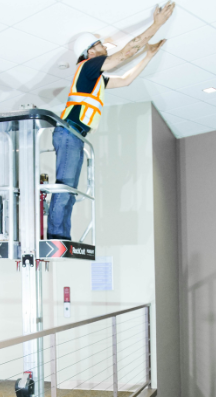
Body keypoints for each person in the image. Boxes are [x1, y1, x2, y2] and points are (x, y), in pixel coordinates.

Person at [48, 1, 174, 241]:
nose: (104, 46)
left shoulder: (96, 79)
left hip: (74, 135)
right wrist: (156, 25)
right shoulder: (88, 66)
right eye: (99, 44)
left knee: (70, 189)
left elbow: (126, 80)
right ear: (90, 52)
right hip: (69, 132)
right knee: (65, 188)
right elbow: (124, 54)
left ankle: (61, 236)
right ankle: (56, 237)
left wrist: (148, 55)